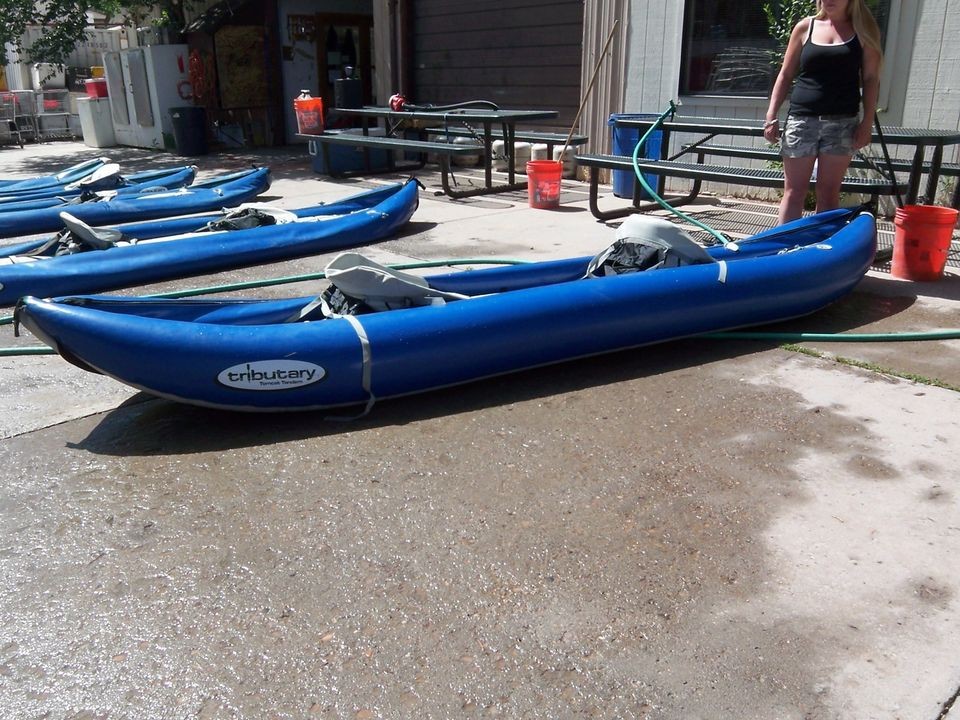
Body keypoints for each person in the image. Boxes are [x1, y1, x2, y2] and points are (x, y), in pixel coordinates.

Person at [764, 0, 883, 224]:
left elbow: (870, 79)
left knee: (828, 193)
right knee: (794, 192)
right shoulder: (804, 27)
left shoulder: (864, 30)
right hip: (801, 121)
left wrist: (867, 123)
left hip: (842, 123)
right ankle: (786, 249)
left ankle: (821, 250)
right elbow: (785, 74)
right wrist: (771, 115)